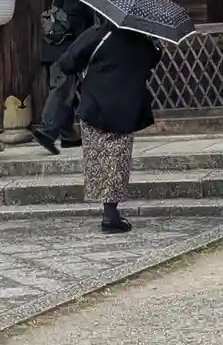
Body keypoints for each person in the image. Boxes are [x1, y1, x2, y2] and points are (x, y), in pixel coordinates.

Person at [45, 19, 162, 233]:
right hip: (126, 107)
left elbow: (67, 63)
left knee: (98, 157)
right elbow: (153, 60)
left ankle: (108, 211)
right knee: (118, 158)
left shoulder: (98, 34)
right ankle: (110, 212)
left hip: (95, 104)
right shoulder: (141, 39)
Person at [31, 0, 95, 153]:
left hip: (55, 48)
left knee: (66, 89)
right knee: (62, 89)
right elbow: (74, 18)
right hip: (67, 48)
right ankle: (47, 129)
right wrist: (87, 40)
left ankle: (68, 135)